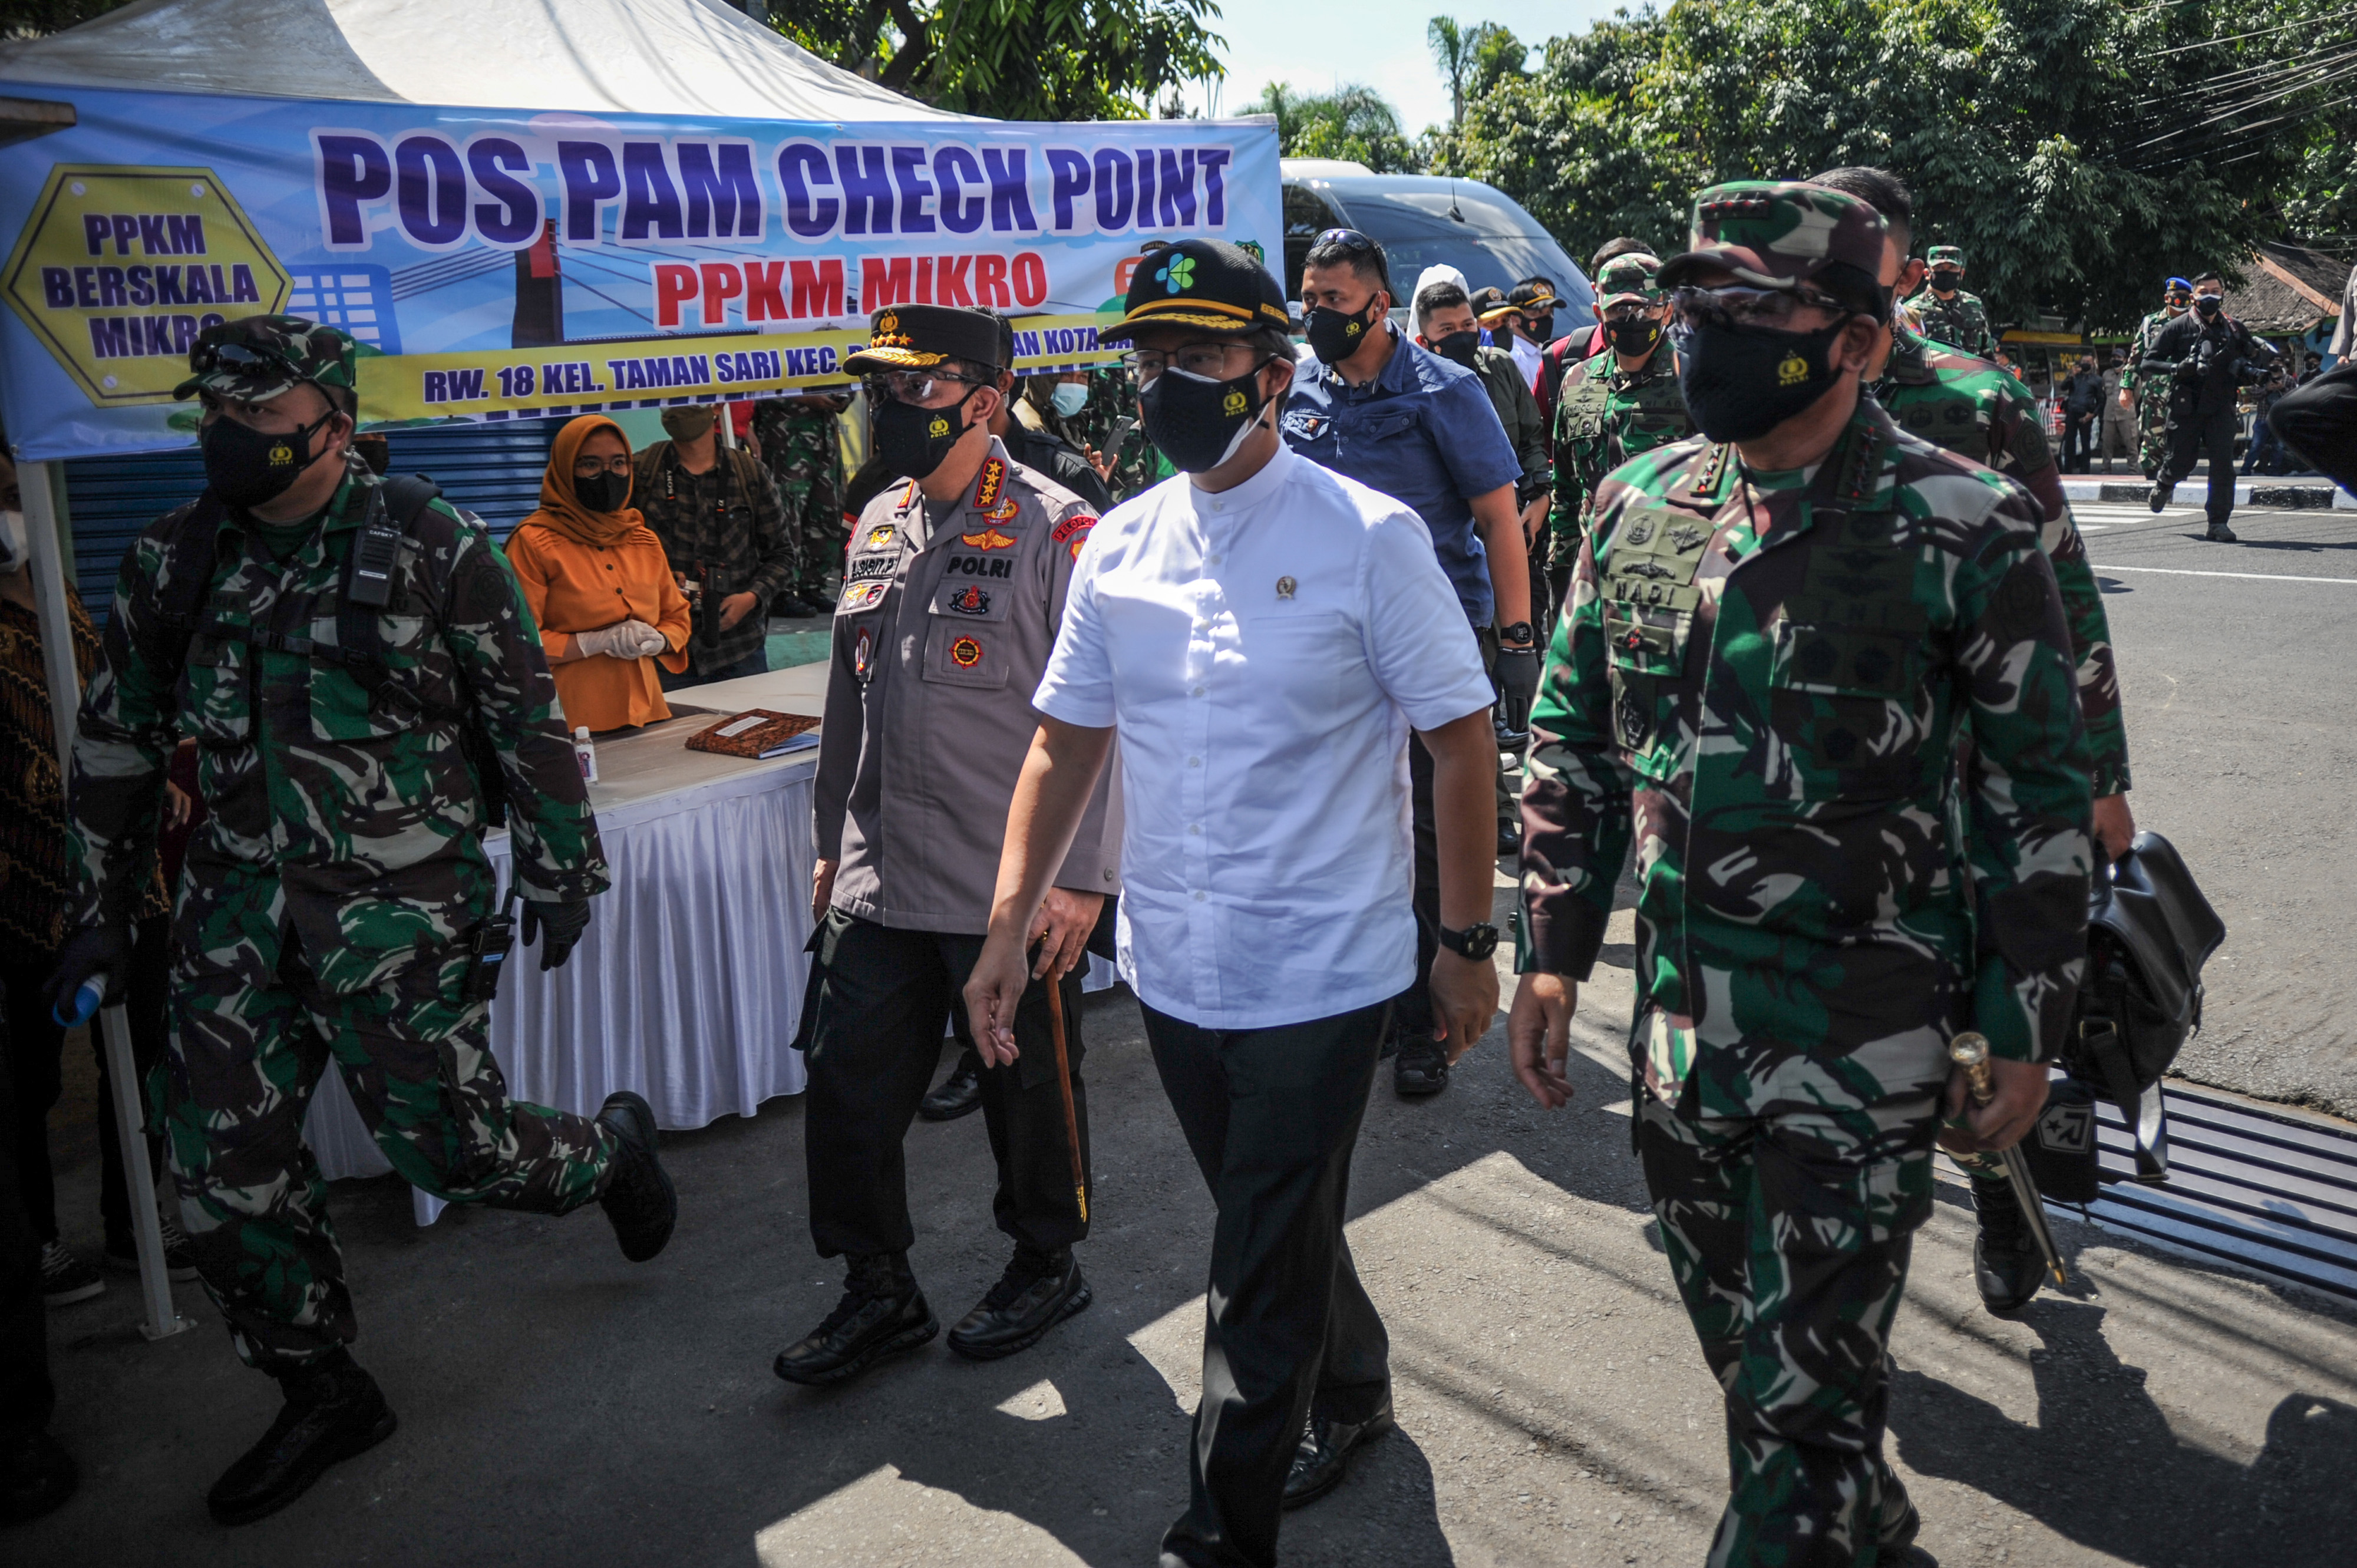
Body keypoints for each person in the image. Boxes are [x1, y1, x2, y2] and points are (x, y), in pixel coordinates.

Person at [1510, 181, 2092, 1566]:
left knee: (1789, 1421)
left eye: (1756, 309)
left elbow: (2036, 795)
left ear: (1858, 342)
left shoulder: (1968, 524)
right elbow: (1571, 733)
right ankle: (1861, 1525)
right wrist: (1545, 945)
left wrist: (2026, 1022)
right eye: (1700, 301)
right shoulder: (1637, 503)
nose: (1709, 331)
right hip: (1675, 1035)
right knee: (1763, 1382)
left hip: (1862, 1040)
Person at [47, 316, 676, 1526]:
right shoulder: (176, 557)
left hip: (398, 906)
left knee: (455, 1150)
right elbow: (118, 740)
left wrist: (560, 866)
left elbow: (523, 714)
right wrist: (99, 907)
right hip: (234, 909)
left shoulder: (430, 541)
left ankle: (606, 1156)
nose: (232, 442)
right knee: (219, 1177)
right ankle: (322, 1384)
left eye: (262, 425)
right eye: (217, 420)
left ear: (334, 428)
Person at [965, 236, 1501, 1568]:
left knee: (1249, 1279)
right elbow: (1062, 743)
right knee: (1274, 1221)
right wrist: (1002, 921)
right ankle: (1359, 1378)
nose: (1163, 384)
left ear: (1270, 376)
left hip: (1324, 973)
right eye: (1147, 359)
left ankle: (1216, 1533)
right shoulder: (1121, 549)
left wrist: (1466, 943)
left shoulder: (1365, 538)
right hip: (1175, 974)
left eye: (1195, 358)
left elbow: (1460, 735)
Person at [778, 302, 1118, 1388]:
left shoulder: (1061, 528)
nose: (889, 405)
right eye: (881, 386)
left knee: (1027, 1091)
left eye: (915, 387)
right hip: (882, 868)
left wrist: (1081, 877)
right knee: (842, 1084)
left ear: (983, 402)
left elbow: (1112, 720)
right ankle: (878, 1284)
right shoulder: (877, 519)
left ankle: (1045, 1259)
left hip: (1002, 881)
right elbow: (848, 693)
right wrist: (833, 835)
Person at [1814, 161, 2135, 1309]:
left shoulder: (1972, 398)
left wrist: (2098, 773)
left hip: (1965, 778)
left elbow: (2062, 593)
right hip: (1823, 786)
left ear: (1898, 260)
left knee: (1986, 1006)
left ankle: (2007, 1203)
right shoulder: (1771, 391)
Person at [1282, 227, 1531, 1097]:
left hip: (1431, 634)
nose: (1315, 315)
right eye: (1308, 299)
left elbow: (1499, 519)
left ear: (1378, 305)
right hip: (1322, 637)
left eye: (1333, 301)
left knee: (1430, 832)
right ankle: (1364, 1002)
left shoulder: (1445, 388)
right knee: (1346, 818)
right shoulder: (1297, 384)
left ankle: (1425, 1022)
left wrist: (1516, 637)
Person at [0, 468, 184, 1310]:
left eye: (8, 494)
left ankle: (133, 1220)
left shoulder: (61, 592)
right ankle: (31, 1244)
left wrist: (153, 775)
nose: (8, 517)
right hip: (23, 882)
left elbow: (113, 701)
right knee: (26, 1077)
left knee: (144, 1049)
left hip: (125, 867)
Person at [505, 417, 692, 729]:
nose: (608, 475)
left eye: (619, 463)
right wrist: (594, 641)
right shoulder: (534, 543)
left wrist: (659, 639)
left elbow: (677, 617)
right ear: (566, 470)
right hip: (572, 722)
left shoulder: (642, 539)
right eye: (590, 465)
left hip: (647, 714)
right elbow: (519, 639)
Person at [1545, 252, 1689, 616]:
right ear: (1600, 315)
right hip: (1589, 570)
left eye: (1645, 310)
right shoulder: (1578, 380)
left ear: (1667, 312)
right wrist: (1562, 567)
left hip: (1668, 574)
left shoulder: (1691, 381)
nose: (1632, 320)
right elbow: (1564, 485)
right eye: (1619, 312)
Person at [1412, 277, 1550, 639]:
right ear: (1424, 342)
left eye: (1467, 325)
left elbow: (1532, 437)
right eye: (1448, 329)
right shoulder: (1411, 389)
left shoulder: (1501, 367)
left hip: (1516, 533)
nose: (1461, 334)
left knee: (1523, 638)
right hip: (1453, 549)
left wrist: (1539, 499)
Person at [633, 403, 794, 687]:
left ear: (717, 407)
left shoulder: (750, 474)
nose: (679, 409)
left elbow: (782, 556)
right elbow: (613, 556)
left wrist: (751, 598)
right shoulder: (641, 471)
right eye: (671, 400)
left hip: (738, 649)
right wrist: (657, 583)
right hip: (662, 648)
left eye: (691, 399)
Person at [2145, 271, 2277, 539]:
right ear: (2194, 296)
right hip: (2187, 407)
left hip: (2221, 407)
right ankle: (2165, 483)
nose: (2211, 296)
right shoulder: (2177, 327)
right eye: (2204, 291)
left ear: (2223, 294)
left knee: (2223, 467)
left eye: (2215, 291)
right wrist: (2176, 368)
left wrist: (2250, 369)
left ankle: (2218, 523)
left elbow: (2248, 360)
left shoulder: (2235, 328)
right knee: (2182, 462)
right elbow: (2148, 362)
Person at [750, 391, 847, 616]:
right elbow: (760, 384)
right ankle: (780, 591)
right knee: (787, 515)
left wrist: (841, 397)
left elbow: (844, 375)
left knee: (825, 512)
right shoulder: (770, 354)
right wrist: (801, 397)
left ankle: (812, 586)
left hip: (825, 441)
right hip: (786, 440)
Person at [2118, 278, 2193, 480]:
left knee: (2180, 435)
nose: (2182, 302)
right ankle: (2151, 474)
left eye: (2186, 298)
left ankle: (2177, 472)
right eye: (2177, 298)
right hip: (2154, 392)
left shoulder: (2195, 322)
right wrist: (2127, 387)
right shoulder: (2151, 323)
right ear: (2167, 298)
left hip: (2184, 389)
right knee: (2152, 434)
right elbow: (2136, 356)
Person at [2267, 352, 2357, 493]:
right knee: (2283, 416)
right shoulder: (2305, 378)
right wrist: (2344, 352)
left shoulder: (2295, 379)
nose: (2311, 364)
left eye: (2314, 361)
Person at [1907, 243, 2000, 357]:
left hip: (1971, 374)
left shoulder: (1974, 305)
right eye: (1939, 268)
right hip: (1933, 374)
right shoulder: (1912, 310)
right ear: (1927, 273)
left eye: (1952, 268)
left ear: (1962, 273)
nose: (1946, 272)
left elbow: (1987, 353)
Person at [1501, 278, 1560, 390]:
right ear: (1514, 319)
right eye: (1538, 312)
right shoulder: (1515, 359)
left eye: (1550, 312)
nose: (1547, 318)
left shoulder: (1544, 351)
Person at [2062, 354, 2103, 472]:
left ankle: (2085, 470)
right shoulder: (2075, 377)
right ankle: (2068, 470)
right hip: (2072, 412)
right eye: (2083, 361)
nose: (2085, 363)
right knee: (2070, 441)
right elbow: (2063, 387)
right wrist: (2071, 375)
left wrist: (2093, 414)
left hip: (2086, 414)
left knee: (2086, 443)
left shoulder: (2097, 380)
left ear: (2092, 364)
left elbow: (2101, 401)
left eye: (2088, 361)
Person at [2099, 349, 2138, 473]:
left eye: (2119, 357)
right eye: (2114, 357)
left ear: (2125, 360)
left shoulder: (2131, 374)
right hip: (2109, 414)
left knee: (2131, 444)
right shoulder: (2106, 374)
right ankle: (2106, 470)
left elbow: (2137, 394)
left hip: (2126, 414)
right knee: (2107, 444)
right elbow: (2104, 393)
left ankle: (2133, 470)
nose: (2116, 359)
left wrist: (2129, 406)